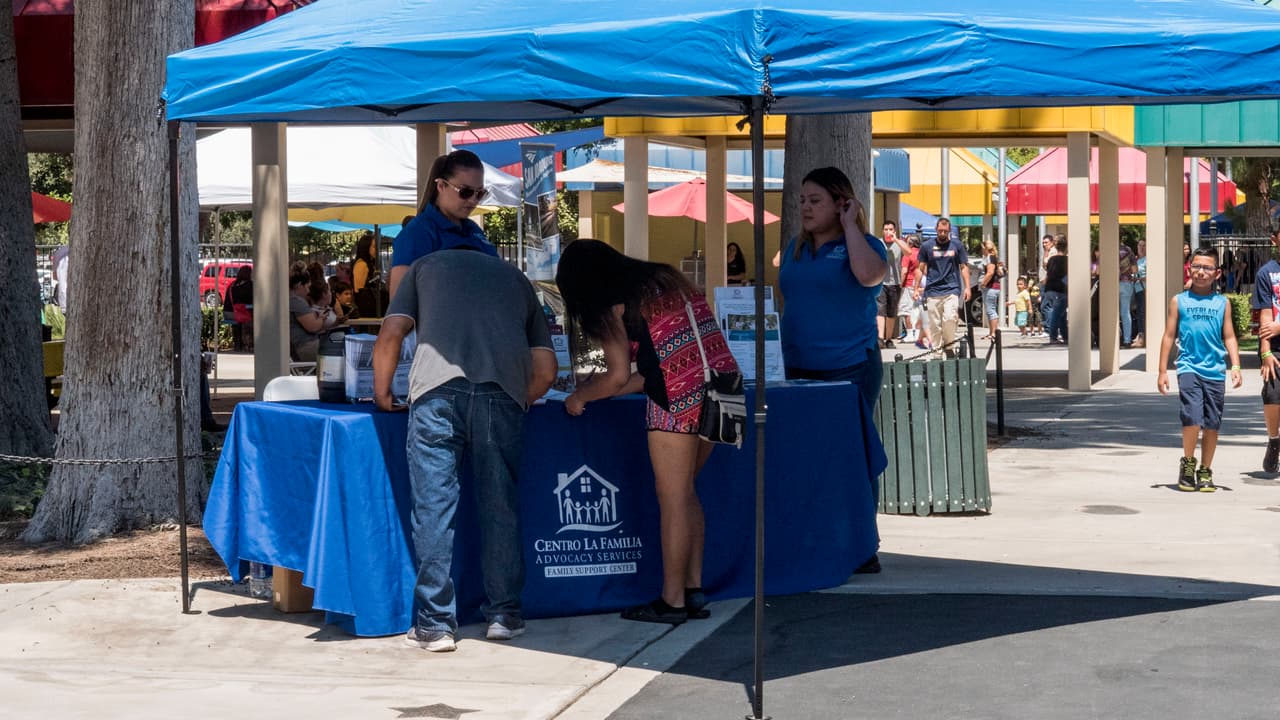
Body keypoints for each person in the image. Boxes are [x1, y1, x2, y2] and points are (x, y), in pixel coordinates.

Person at [374, 246, 557, 653]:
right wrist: (517, 398)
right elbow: (546, 371)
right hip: (501, 395)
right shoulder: (517, 280)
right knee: (500, 505)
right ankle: (504, 615)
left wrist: (382, 393)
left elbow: (391, 334)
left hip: (435, 393)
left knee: (434, 507)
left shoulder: (423, 267)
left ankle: (435, 625)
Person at [556, 239, 741, 624]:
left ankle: (671, 601)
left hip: (678, 395)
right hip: (724, 388)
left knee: (673, 499)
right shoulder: (664, 280)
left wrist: (579, 396)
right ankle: (693, 589)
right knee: (686, 491)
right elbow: (650, 369)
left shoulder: (612, 303)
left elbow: (617, 376)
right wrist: (603, 387)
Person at [778, 167, 888, 410]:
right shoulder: (796, 247)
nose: (806, 207)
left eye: (815, 201)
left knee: (845, 434)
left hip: (849, 367)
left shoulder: (867, 245)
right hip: (795, 365)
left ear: (841, 204)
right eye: (802, 200)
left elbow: (869, 276)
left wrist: (850, 225)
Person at [1157, 248, 1242, 492]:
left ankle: (1205, 470)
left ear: (1217, 273)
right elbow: (1168, 335)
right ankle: (1188, 463)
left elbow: (1229, 337)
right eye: (1196, 266)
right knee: (1192, 418)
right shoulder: (1179, 301)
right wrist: (1162, 370)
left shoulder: (1222, 303)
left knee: (1212, 424)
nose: (1201, 272)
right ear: (1189, 269)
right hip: (1188, 367)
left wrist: (1235, 365)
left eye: (1207, 268)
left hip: (1215, 370)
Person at [388, 149, 497, 299]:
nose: (473, 200)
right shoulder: (418, 233)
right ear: (441, 186)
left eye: (479, 193)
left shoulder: (473, 230)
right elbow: (399, 301)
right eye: (465, 192)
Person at [912, 217, 970, 357]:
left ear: (949, 231)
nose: (942, 233)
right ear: (936, 230)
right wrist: (916, 288)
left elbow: (964, 267)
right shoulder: (927, 246)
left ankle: (949, 347)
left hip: (952, 289)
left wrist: (967, 287)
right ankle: (937, 354)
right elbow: (920, 268)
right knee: (935, 325)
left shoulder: (957, 245)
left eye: (945, 231)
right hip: (932, 291)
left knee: (950, 318)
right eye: (940, 231)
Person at [1252, 229, 1280, 474]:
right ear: (1275, 239)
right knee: (1272, 396)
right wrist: (1265, 353)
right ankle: (1274, 440)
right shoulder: (1266, 273)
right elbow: (1265, 315)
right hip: (1276, 348)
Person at [876, 220, 911, 348]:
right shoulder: (878, 243)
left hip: (895, 283)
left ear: (894, 231)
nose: (888, 232)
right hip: (881, 282)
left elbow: (908, 252)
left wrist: (896, 240)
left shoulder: (899, 243)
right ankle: (880, 338)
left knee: (891, 312)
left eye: (890, 229)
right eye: (886, 229)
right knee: (880, 310)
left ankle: (889, 339)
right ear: (882, 231)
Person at [1043, 236, 1068, 344]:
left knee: (1061, 313)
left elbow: (1047, 269)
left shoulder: (1052, 259)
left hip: (1049, 288)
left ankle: (1065, 335)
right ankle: (1053, 336)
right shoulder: (1066, 260)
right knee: (1057, 313)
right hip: (1060, 289)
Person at [226, 265, 254, 352]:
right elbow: (252, 300)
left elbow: (227, 301)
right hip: (246, 314)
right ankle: (248, 345)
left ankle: (237, 346)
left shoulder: (232, 285)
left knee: (237, 330)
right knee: (248, 329)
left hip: (232, 314)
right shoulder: (250, 285)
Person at [979, 240, 1002, 341]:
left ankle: (994, 333)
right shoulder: (988, 257)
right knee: (989, 310)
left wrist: (983, 283)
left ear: (985, 248)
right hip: (989, 287)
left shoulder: (990, 257)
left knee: (991, 310)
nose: (981, 250)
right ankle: (991, 332)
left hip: (991, 287)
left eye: (982, 248)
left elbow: (990, 272)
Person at [1119, 241, 1137, 348]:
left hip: (1111, 284)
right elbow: (1135, 269)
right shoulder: (1128, 250)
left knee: (1111, 313)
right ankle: (1127, 340)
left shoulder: (1107, 249)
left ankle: (1113, 339)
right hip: (1126, 283)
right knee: (1125, 312)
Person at [1133, 239, 1148, 348]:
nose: (1141, 248)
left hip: (1144, 289)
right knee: (1139, 313)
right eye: (1140, 245)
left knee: (1142, 314)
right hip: (1137, 290)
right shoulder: (1136, 260)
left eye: (1144, 245)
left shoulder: (1148, 260)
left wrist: (1139, 279)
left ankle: (1142, 338)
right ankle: (1140, 335)